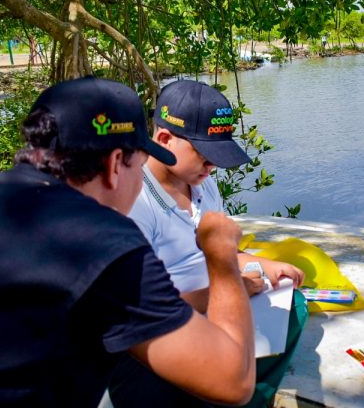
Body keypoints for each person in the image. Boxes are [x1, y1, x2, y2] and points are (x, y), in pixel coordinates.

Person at [0, 76, 256, 407]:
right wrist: (221, 257)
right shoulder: (104, 244)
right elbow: (233, 381)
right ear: (117, 163)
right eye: (140, 163)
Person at [108, 79, 308, 408]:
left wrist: (264, 266)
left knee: (294, 308)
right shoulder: (136, 203)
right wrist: (233, 288)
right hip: (160, 337)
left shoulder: (202, 184)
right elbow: (139, 314)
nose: (212, 166)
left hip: (217, 305)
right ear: (163, 139)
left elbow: (222, 252)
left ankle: (244, 396)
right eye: (204, 155)